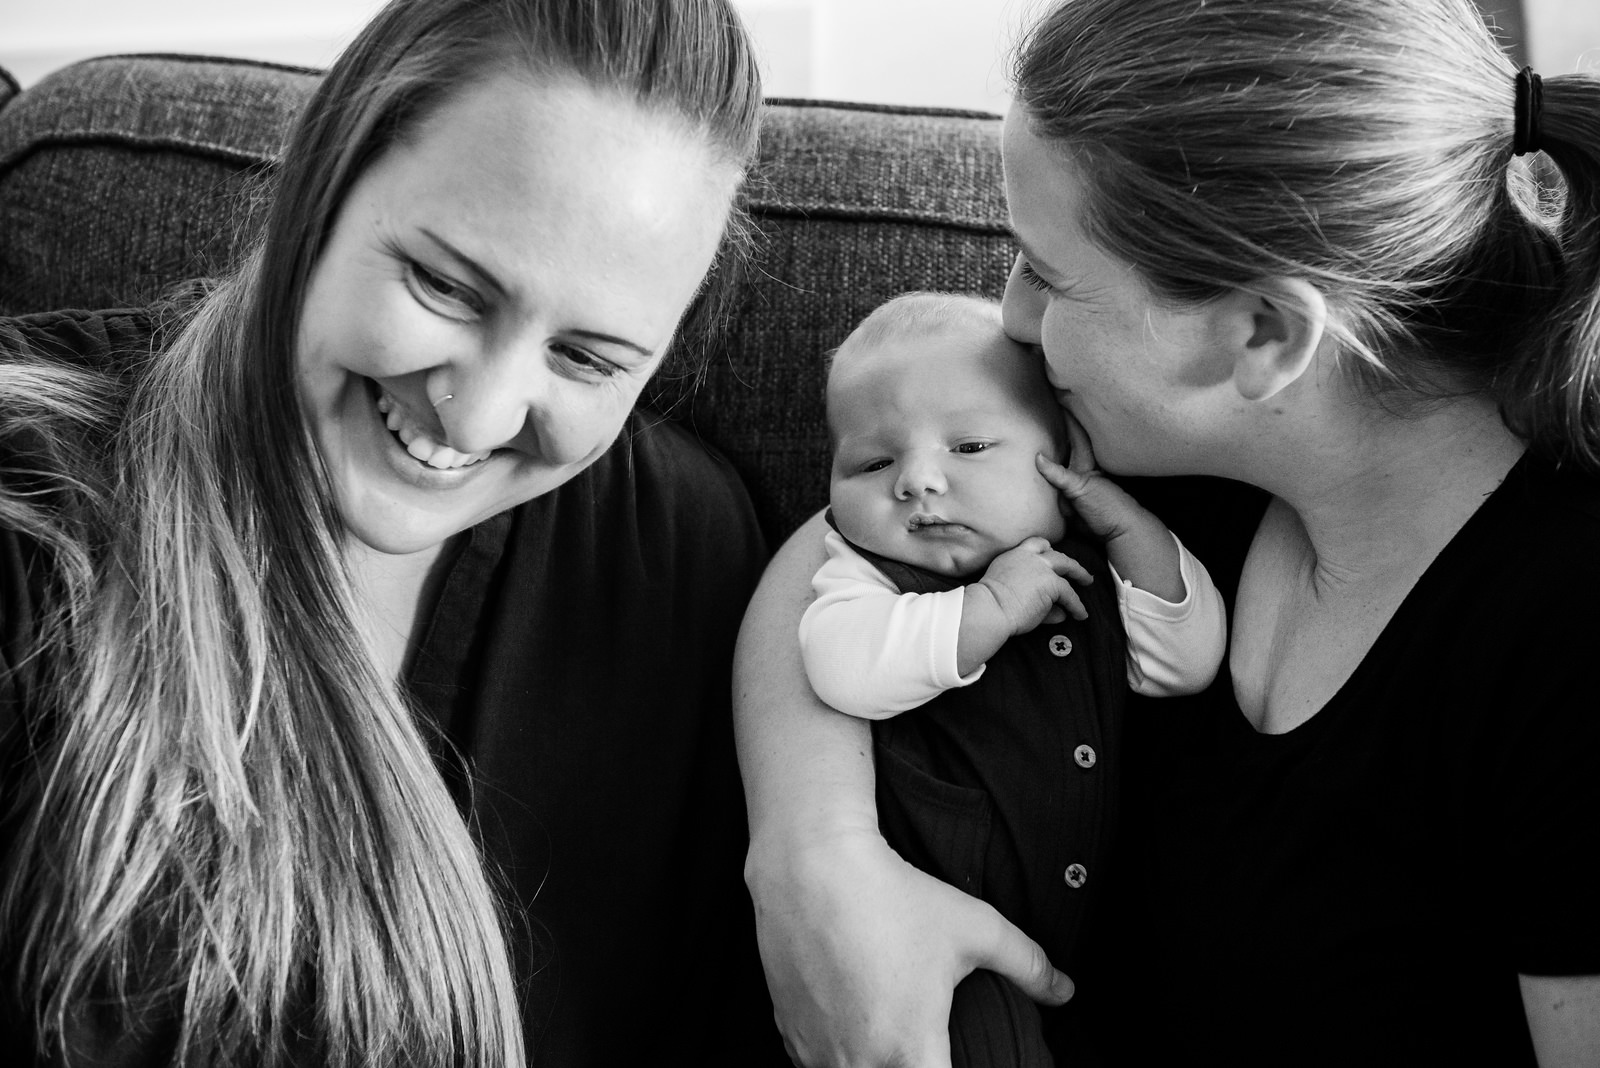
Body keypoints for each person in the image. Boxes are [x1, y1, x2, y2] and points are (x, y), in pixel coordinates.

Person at [733, 0, 1600, 1065]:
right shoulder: (1167, 458)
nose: (1004, 316)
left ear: (1262, 336)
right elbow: (847, 534)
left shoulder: (1565, 646)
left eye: (1045, 274)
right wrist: (813, 853)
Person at [0, 1, 783, 1065]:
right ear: (322, 182)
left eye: (589, 358)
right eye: (446, 286)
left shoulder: (676, 557)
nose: (477, 413)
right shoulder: (34, 516)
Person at [797, 291, 1225, 1064]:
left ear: (1061, 456)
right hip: (949, 946)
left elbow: (1185, 665)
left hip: (1110, 941)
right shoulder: (865, 579)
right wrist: (991, 606)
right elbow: (843, 670)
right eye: (872, 461)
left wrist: (1130, 531)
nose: (917, 482)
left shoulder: (1090, 569)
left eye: (968, 448)